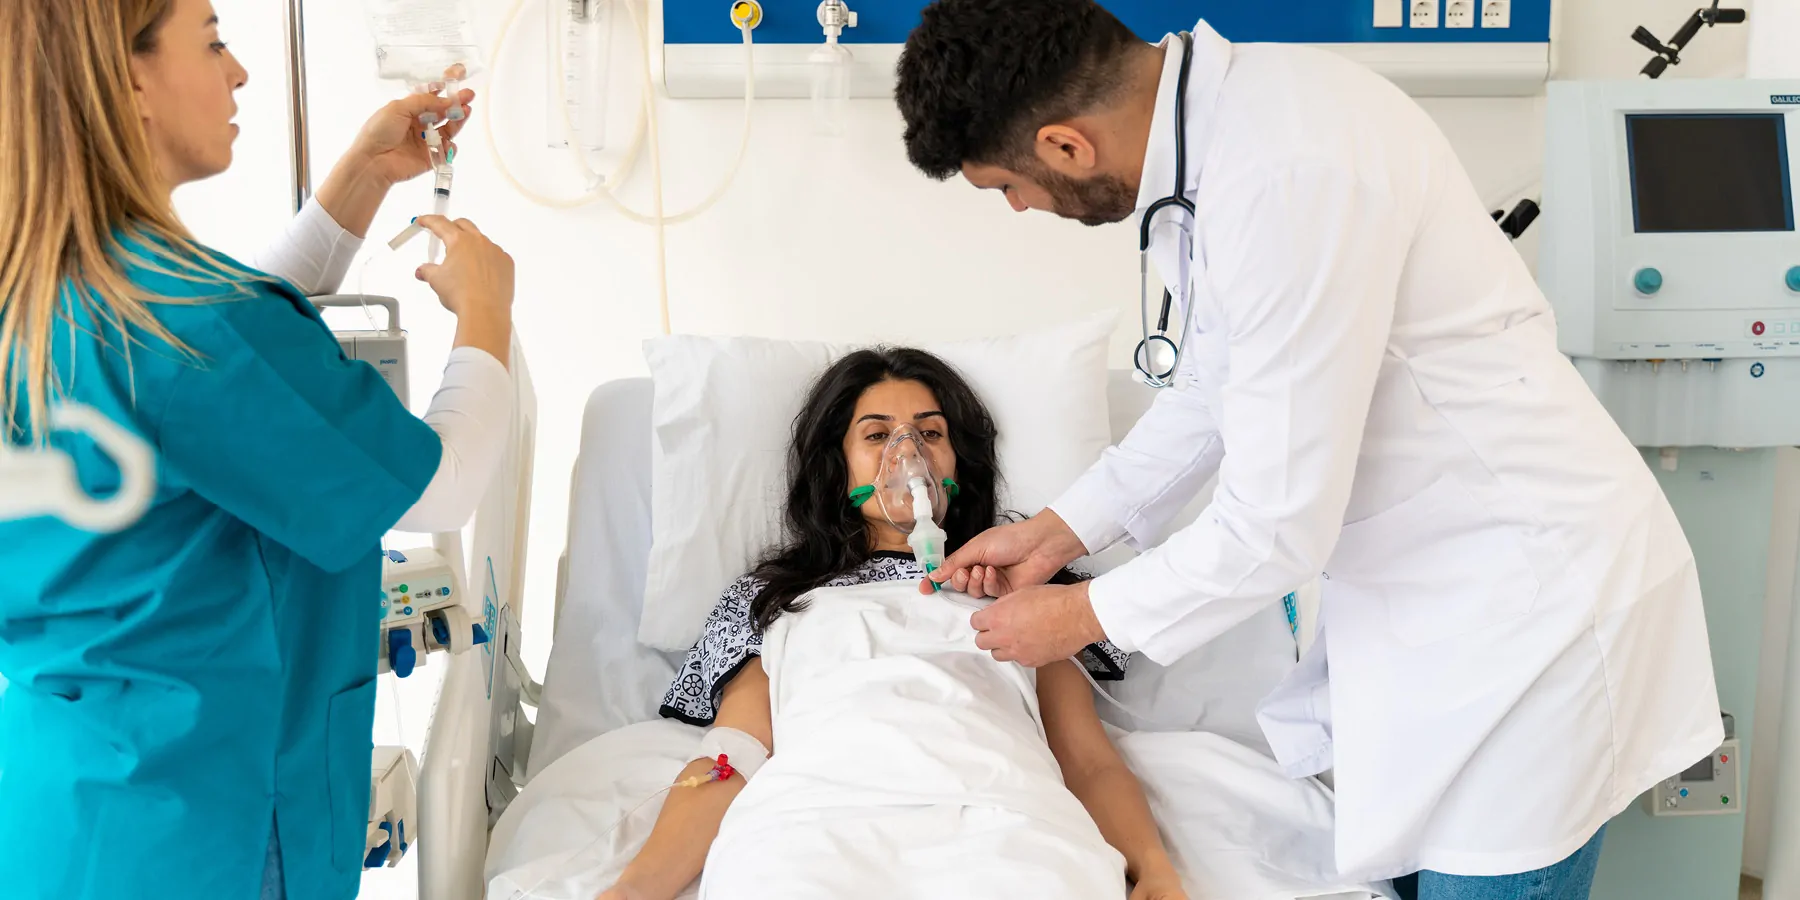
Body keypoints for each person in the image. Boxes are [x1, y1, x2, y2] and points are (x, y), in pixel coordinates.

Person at [894, 2, 1719, 899]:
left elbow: (1274, 527)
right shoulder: (1239, 130)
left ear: (1064, 147)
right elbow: (1214, 385)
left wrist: (1079, 616)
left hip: (1529, 605)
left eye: (1006, 187)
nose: (1019, 208)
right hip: (1432, 606)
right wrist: (1060, 529)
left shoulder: (1287, 174)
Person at [0, 1, 517, 898]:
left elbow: (226, 360)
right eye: (212, 43)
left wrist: (360, 177)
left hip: (63, 813)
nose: (239, 73)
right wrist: (487, 313)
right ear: (129, 77)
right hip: (206, 832)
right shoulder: (189, 323)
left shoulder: (48, 290)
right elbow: (439, 488)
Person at [601, 348, 1186, 900]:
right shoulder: (775, 597)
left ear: (959, 461)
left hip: (1007, 825)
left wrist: (1155, 871)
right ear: (837, 467)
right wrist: (635, 888)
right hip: (807, 831)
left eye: (931, 433)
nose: (908, 453)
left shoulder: (1029, 584)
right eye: (877, 435)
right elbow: (732, 757)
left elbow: (1087, 758)